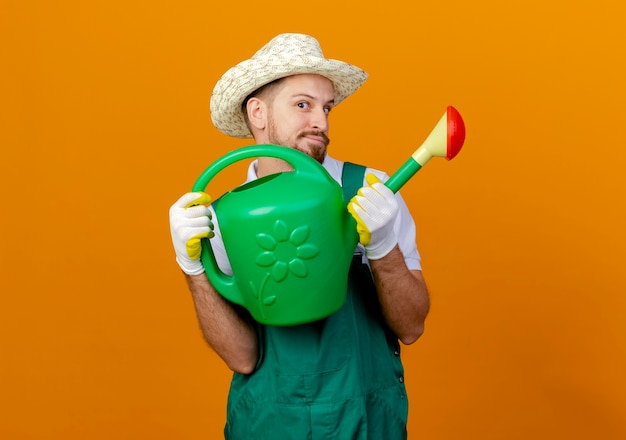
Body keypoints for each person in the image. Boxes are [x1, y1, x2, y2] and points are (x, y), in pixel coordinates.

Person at [169, 33, 430, 439]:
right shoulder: (220, 218)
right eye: (303, 105)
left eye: (326, 107)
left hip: (365, 422)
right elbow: (242, 357)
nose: (321, 122)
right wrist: (193, 268)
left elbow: (411, 327)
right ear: (258, 112)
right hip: (267, 425)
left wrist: (382, 248)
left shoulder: (372, 192)